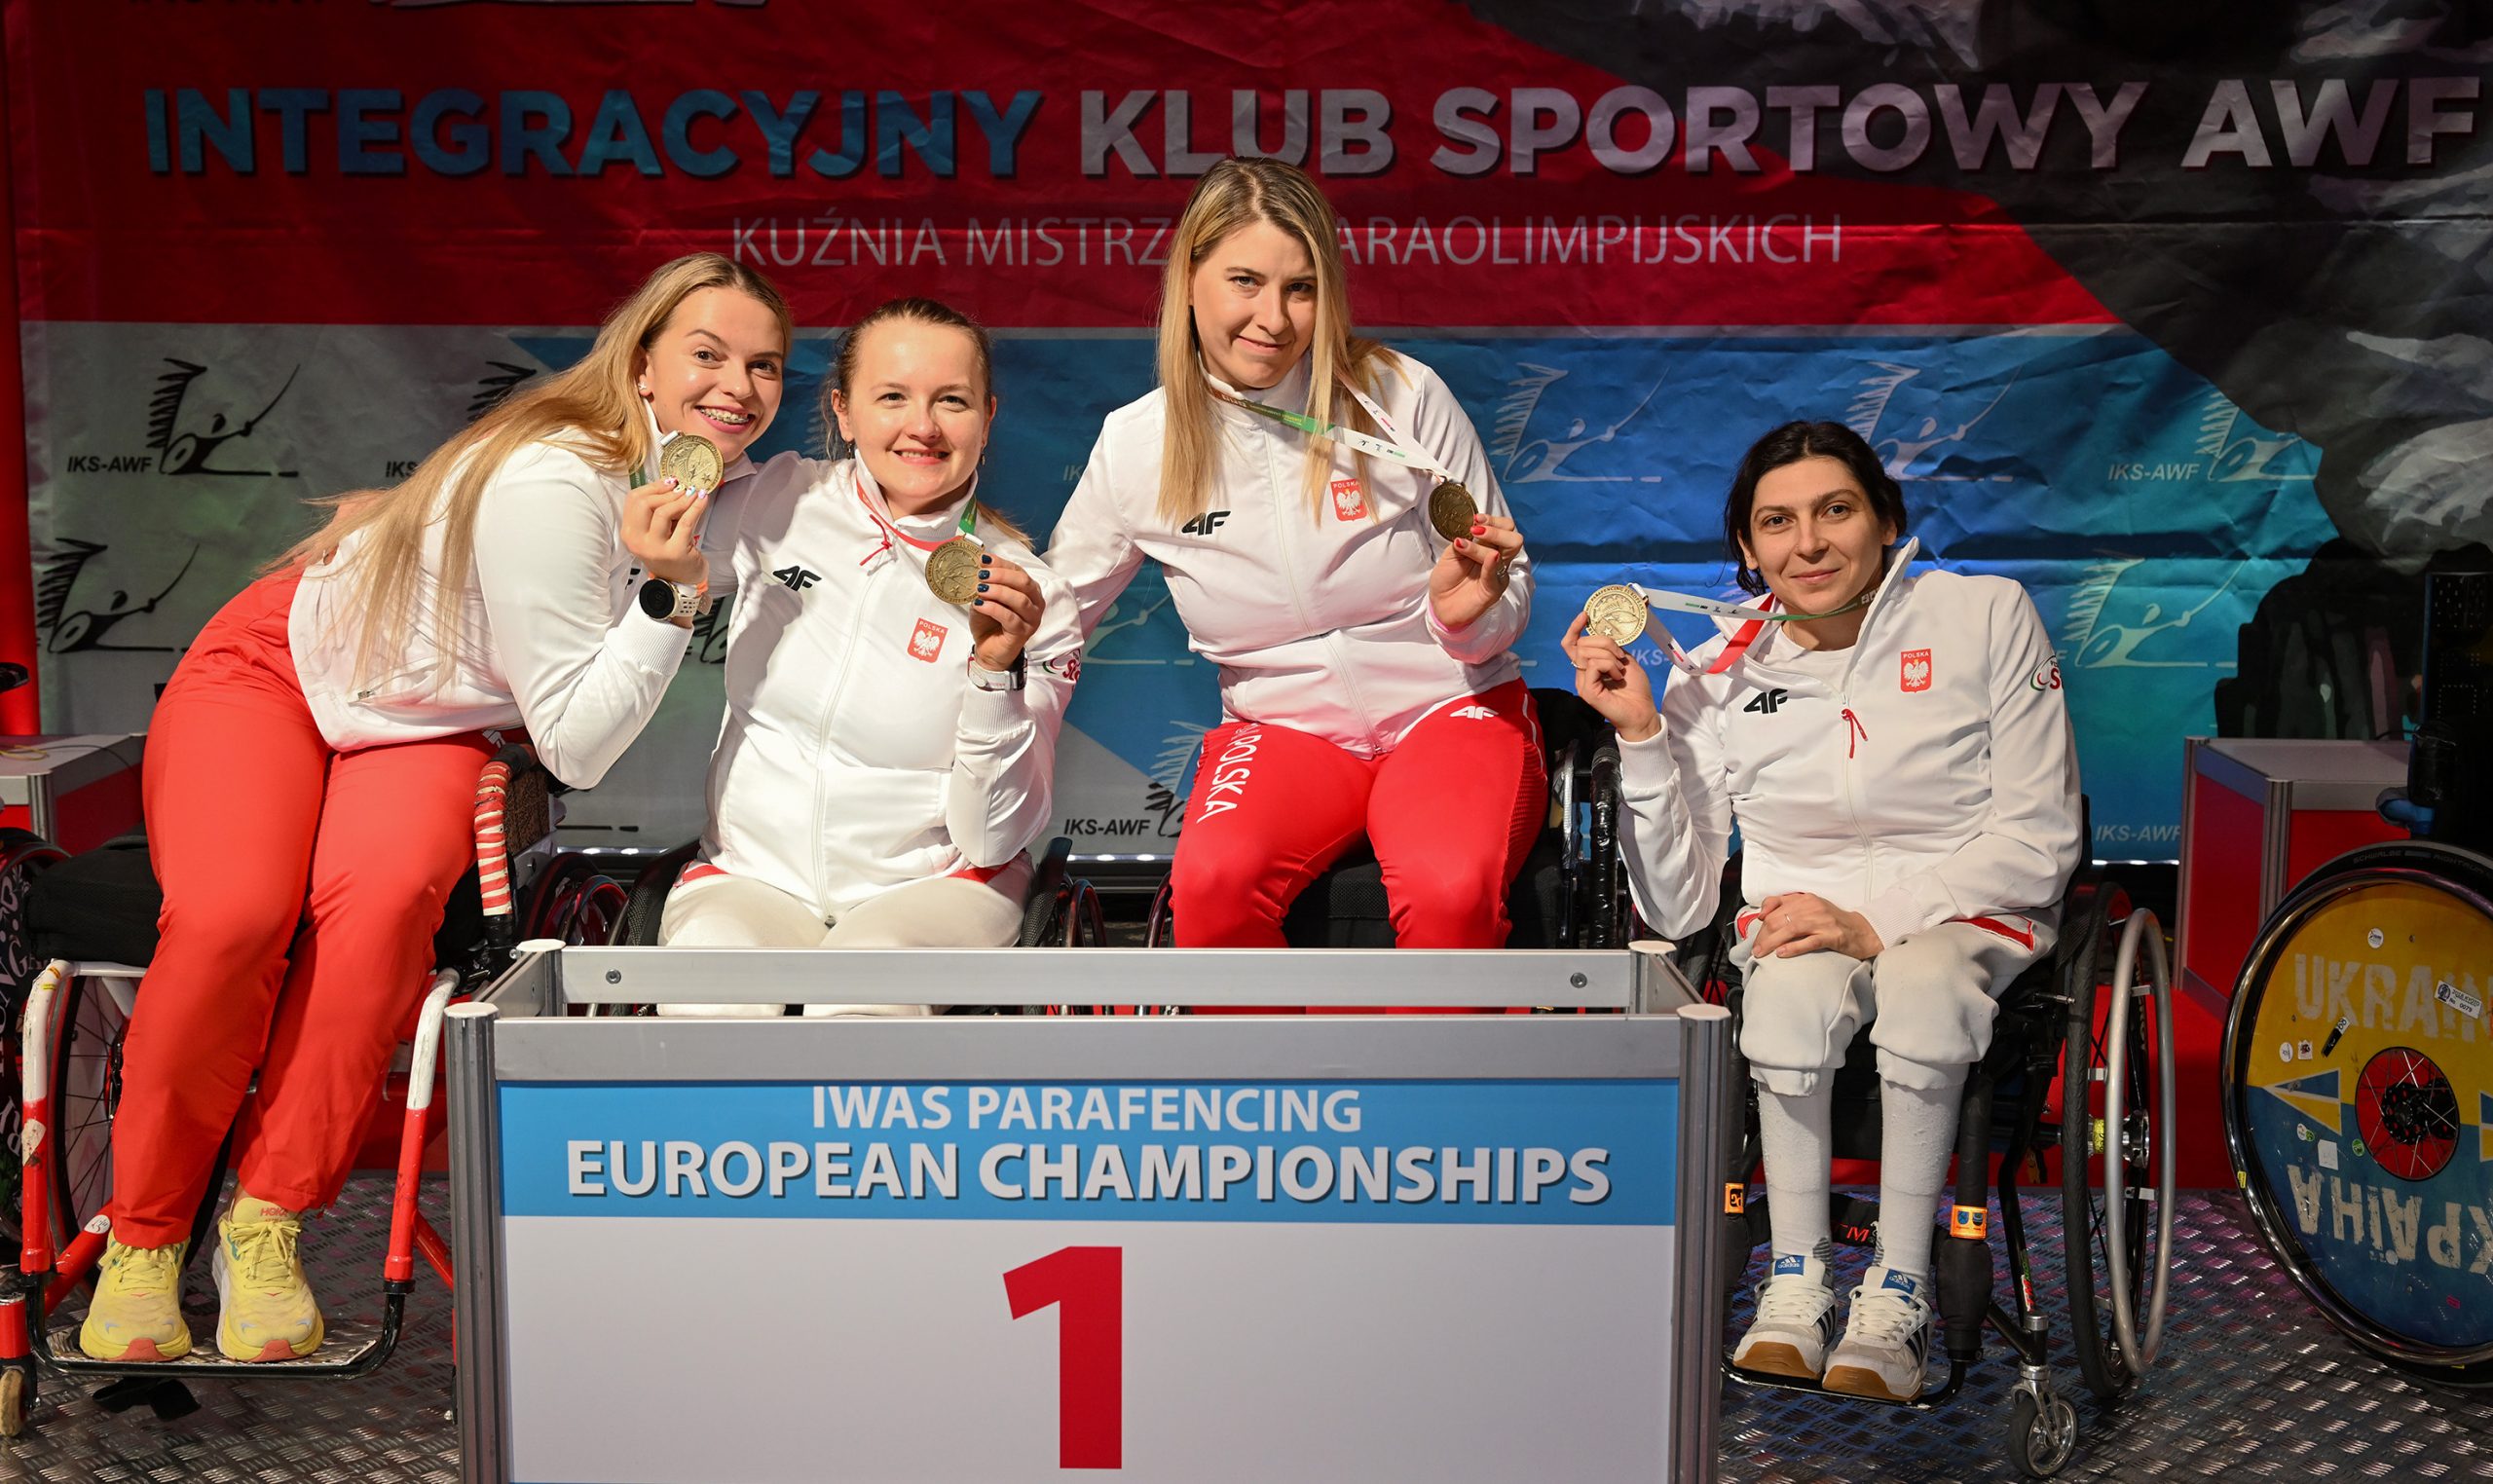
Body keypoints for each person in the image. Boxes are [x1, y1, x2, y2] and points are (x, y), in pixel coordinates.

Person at [82, 253, 794, 1362]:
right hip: (277, 673)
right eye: (708, 354)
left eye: (766, 366)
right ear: (642, 364)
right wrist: (671, 593)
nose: (738, 386)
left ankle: (266, 1222)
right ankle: (144, 1238)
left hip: (423, 723)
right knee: (233, 914)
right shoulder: (559, 477)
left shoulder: (715, 480)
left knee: (385, 905)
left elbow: (846, 499)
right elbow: (576, 745)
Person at [1563, 420, 2079, 1401]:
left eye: (1834, 511)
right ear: (1747, 548)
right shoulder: (1717, 667)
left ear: (1885, 519)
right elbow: (1677, 900)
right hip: (1803, 922)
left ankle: (1899, 1288)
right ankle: (1797, 1281)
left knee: (1922, 976)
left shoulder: (1984, 615)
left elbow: (2038, 836)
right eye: (1777, 523)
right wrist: (1641, 737)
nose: (1808, 544)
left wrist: (1878, 921)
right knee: (1788, 988)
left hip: (1974, 905)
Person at [1047, 156, 1538, 955]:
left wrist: (1464, 621)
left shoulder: (1403, 394)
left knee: (1449, 891)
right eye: (1245, 281)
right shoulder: (1137, 443)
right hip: (1284, 734)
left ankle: (1426, 1050)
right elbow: (1050, 618)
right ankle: (1287, 1052)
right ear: (1191, 278)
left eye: (1300, 289)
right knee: (1213, 889)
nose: (1273, 319)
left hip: (1447, 708)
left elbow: (1506, 593)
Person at [654, 297, 1080, 1011]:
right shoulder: (773, 500)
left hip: (936, 891)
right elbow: (639, 554)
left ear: (987, 420)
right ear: (843, 412)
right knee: (710, 998)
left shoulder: (1031, 596)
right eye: (892, 397)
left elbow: (992, 837)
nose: (923, 426)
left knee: (859, 1000)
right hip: (750, 877)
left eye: (951, 401)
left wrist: (995, 673)